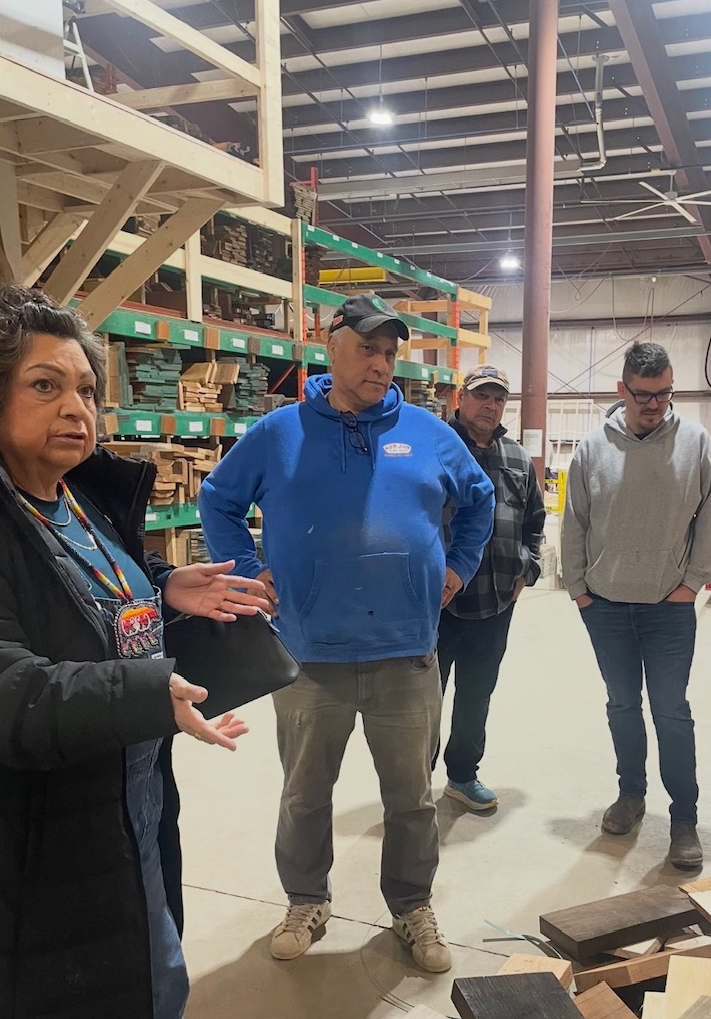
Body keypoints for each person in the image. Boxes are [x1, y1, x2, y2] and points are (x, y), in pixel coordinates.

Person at [0, 286, 272, 1019]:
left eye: (88, 391)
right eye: (45, 386)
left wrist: (160, 590)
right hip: (34, 826)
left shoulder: (79, 500)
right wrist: (149, 695)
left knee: (154, 967)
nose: (78, 411)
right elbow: (8, 692)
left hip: (128, 793)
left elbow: (96, 617)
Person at [199, 294, 494, 973]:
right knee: (305, 793)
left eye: (390, 353)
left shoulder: (427, 433)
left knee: (412, 800)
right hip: (309, 655)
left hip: (407, 653)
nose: (381, 364)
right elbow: (217, 497)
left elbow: (477, 500)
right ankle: (307, 898)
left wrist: (458, 567)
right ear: (330, 345)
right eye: (367, 348)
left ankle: (411, 906)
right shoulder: (280, 433)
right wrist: (248, 572)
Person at [561, 340, 711, 870]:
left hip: (668, 608)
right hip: (605, 607)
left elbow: (710, 522)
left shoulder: (696, 443)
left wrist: (692, 584)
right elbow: (575, 522)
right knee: (623, 705)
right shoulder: (591, 448)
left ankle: (684, 820)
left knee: (672, 711)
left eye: (663, 394)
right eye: (643, 395)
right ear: (622, 390)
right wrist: (580, 590)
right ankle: (631, 795)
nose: (654, 405)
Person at [436, 364, 545, 811]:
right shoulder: (434, 448)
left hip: (496, 599)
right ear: (461, 398)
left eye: (498, 398)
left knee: (476, 694)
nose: (491, 405)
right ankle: (409, 785)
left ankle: (462, 776)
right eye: (482, 395)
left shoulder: (517, 458)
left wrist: (528, 569)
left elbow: (534, 522)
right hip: (436, 603)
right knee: (422, 699)